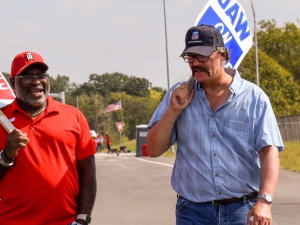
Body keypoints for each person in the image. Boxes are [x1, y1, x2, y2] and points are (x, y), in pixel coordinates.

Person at [146, 25, 284, 225]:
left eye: (202, 56)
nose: (195, 64)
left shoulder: (253, 96)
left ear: (221, 54)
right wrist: (173, 111)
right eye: (190, 57)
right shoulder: (177, 96)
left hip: (243, 210)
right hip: (192, 212)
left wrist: (264, 201)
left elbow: (269, 151)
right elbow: (153, 149)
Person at [0, 51, 97, 225]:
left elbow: (87, 172)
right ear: (14, 81)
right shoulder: (2, 120)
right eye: (28, 76)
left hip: (65, 222)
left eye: (41, 75)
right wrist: (6, 155)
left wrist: (83, 218)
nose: (36, 81)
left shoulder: (73, 116)